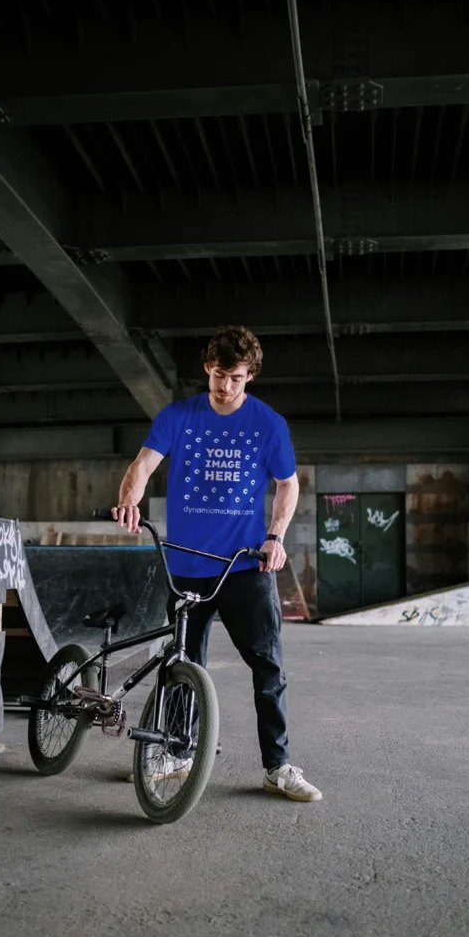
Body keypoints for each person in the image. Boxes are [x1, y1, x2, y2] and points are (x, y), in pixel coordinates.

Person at [113, 325, 321, 803]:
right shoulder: (178, 416)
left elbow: (288, 485)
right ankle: (180, 753)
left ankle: (277, 766)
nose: (226, 386)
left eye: (236, 377)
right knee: (183, 664)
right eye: (219, 374)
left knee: (268, 668)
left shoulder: (268, 425)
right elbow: (143, 464)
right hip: (186, 566)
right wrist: (129, 499)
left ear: (250, 377)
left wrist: (275, 537)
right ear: (208, 368)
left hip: (246, 567)